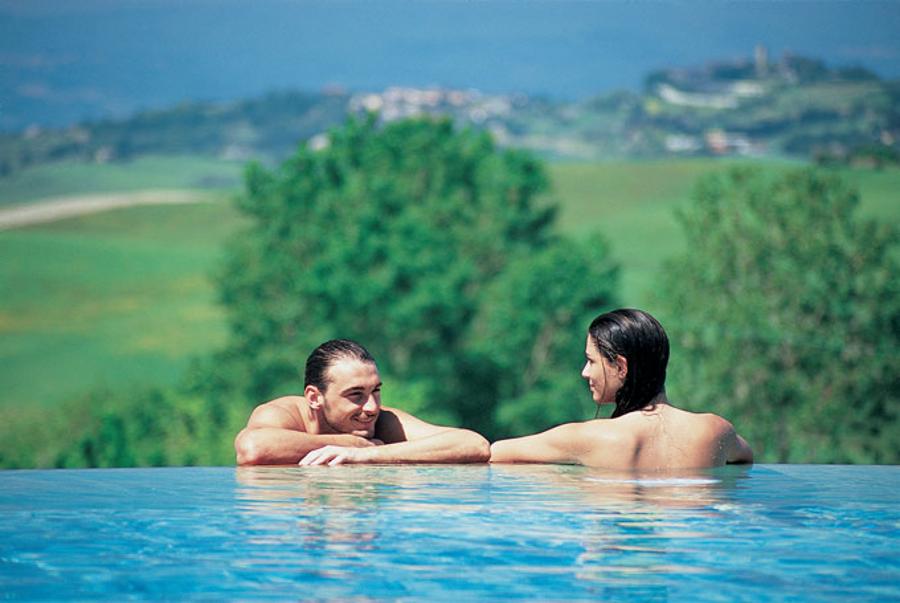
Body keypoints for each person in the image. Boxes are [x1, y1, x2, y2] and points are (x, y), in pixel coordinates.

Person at [490, 308, 753, 469]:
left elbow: (492, 453)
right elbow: (745, 457)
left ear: (621, 366)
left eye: (592, 361)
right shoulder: (715, 430)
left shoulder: (593, 437)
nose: (585, 372)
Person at [235, 338, 490, 466]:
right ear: (314, 397)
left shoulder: (382, 421)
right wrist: (352, 443)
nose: (371, 407)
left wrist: (368, 454)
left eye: (375, 391)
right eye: (355, 395)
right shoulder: (281, 415)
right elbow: (252, 449)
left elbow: (474, 444)